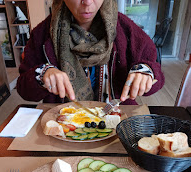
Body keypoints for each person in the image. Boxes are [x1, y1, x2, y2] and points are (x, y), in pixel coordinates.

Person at [17, 0, 165, 105]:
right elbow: (24, 90)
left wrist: (146, 73)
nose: (87, 2)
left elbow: (156, 73)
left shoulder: (127, 30)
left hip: (118, 119)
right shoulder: (42, 35)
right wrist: (42, 75)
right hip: (64, 125)